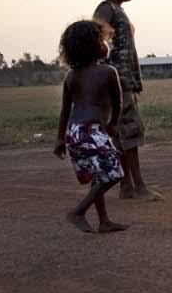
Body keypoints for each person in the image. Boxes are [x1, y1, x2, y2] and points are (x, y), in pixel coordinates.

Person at [91, 0, 161, 201]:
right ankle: (139, 187)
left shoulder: (116, 10)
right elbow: (95, 37)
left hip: (120, 80)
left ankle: (127, 187)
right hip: (117, 81)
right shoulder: (106, 8)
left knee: (121, 134)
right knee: (129, 132)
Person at [53, 20, 130, 233]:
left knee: (98, 175)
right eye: (103, 41)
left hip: (74, 132)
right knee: (115, 173)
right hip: (92, 131)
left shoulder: (71, 76)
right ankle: (78, 211)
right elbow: (118, 102)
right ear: (92, 46)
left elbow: (65, 111)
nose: (107, 45)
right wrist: (113, 124)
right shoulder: (108, 71)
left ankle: (104, 221)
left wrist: (60, 139)